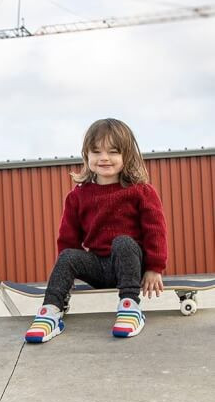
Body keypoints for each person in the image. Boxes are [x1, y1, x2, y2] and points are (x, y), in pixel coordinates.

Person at [25, 118, 167, 343]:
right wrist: (66, 275)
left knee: (123, 242)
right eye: (96, 151)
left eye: (113, 151)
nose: (104, 158)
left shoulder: (141, 191)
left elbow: (155, 230)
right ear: (87, 155)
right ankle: (50, 312)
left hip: (130, 266)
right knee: (67, 255)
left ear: (127, 155)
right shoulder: (78, 196)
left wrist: (154, 268)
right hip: (98, 267)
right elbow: (68, 239)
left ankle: (130, 307)